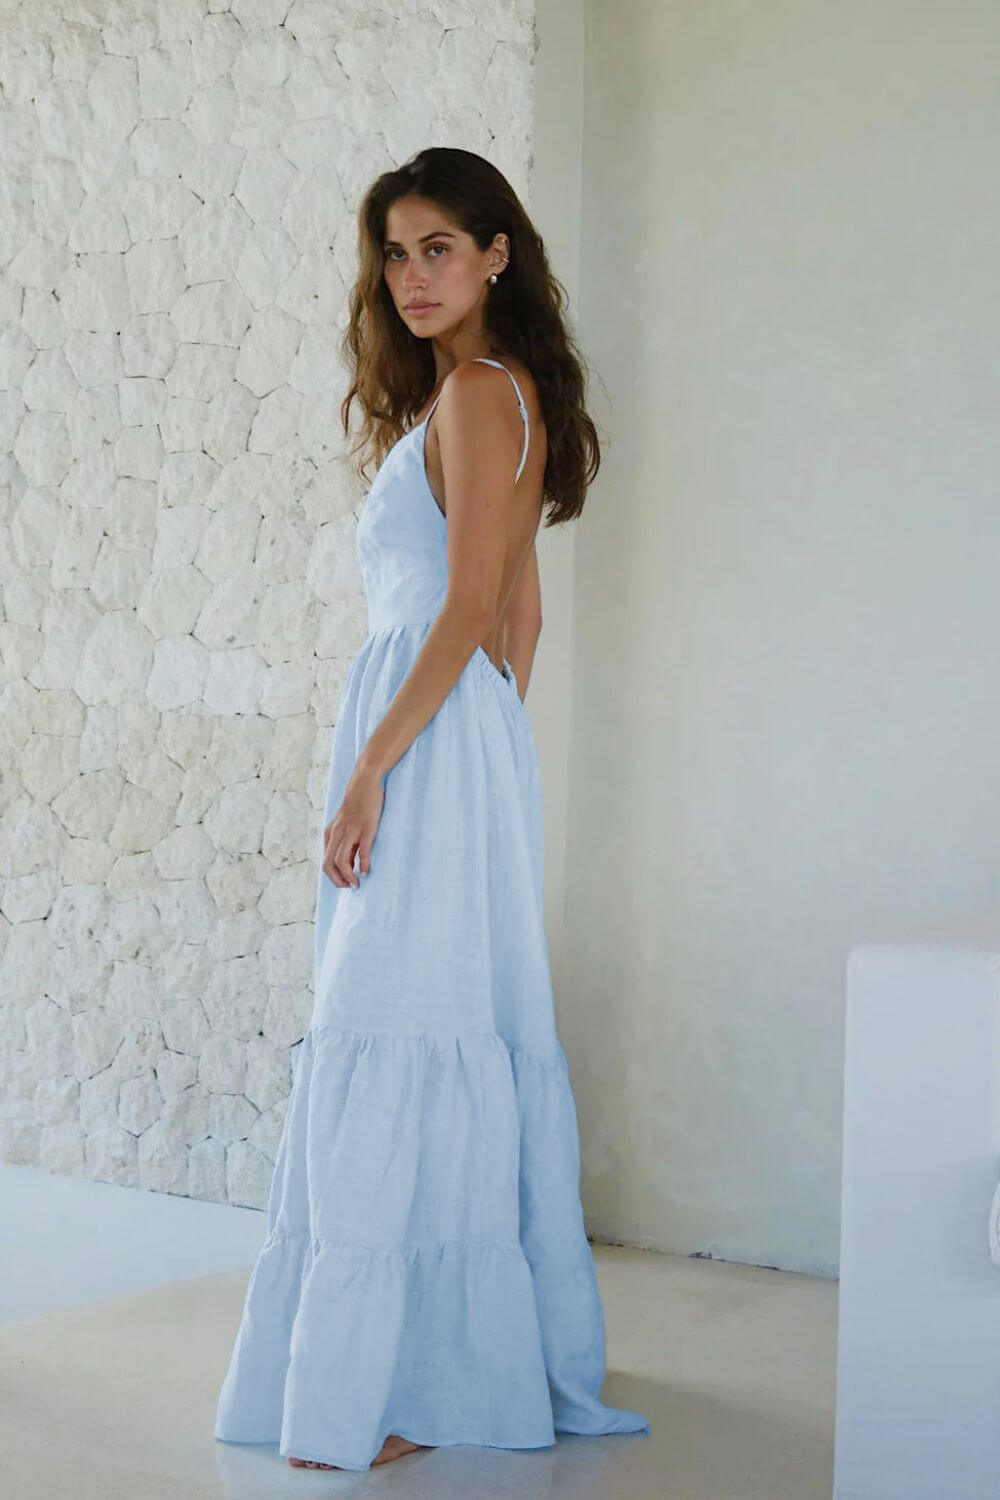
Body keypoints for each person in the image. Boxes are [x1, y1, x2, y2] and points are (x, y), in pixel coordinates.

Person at [214, 146, 650, 1473]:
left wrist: (377, 771)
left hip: (422, 742)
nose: (413, 277)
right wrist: (481, 756)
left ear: (497, 254)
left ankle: (386, 1390)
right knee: (440, 1018)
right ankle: (428, 1372)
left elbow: (468, 607)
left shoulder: (473, 393)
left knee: (393, 1022)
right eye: (397, 254)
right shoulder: (505, 394)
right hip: (462, 742)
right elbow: (522, 619)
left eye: (440, 249)